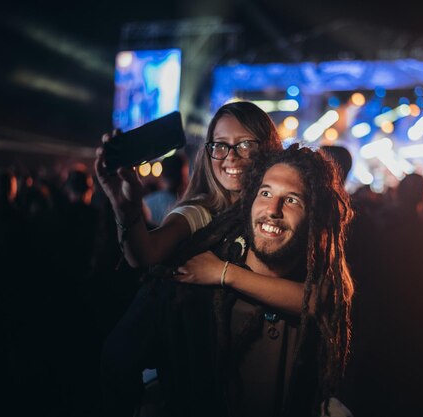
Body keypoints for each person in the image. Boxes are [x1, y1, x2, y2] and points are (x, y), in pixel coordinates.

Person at [95, 101, 283, 416]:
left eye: (244, 145)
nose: (230, 157)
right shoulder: (200, 211)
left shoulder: (279, 212)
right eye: (220, 146)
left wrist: (223, 272)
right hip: (203, 389)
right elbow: (146, 253)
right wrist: (123, 206)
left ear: (269, 148)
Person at [168, 144, 354, 416]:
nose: (273, 209)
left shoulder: (319, 278)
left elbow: (319, 301)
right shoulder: (198, 284)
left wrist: (225, 273)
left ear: (314, 215)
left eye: (292, 199)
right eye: (265, 193)